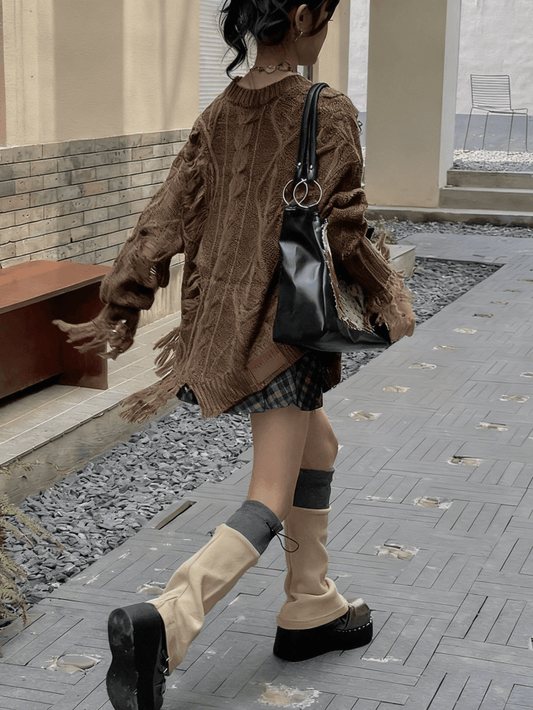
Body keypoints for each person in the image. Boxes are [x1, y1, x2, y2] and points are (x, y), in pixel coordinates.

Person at [55, 2, 415, 708]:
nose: (328, 32)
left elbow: (163, 216)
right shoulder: (326, 108)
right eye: (327, 17)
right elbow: (344, 230)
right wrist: (389, 298)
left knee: (320, 446)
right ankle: (168, 619)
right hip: (284, 331)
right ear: (303, 16)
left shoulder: (218, 112)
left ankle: (309, 602)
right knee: (269, 494)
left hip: (226, 323)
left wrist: (122, 300)